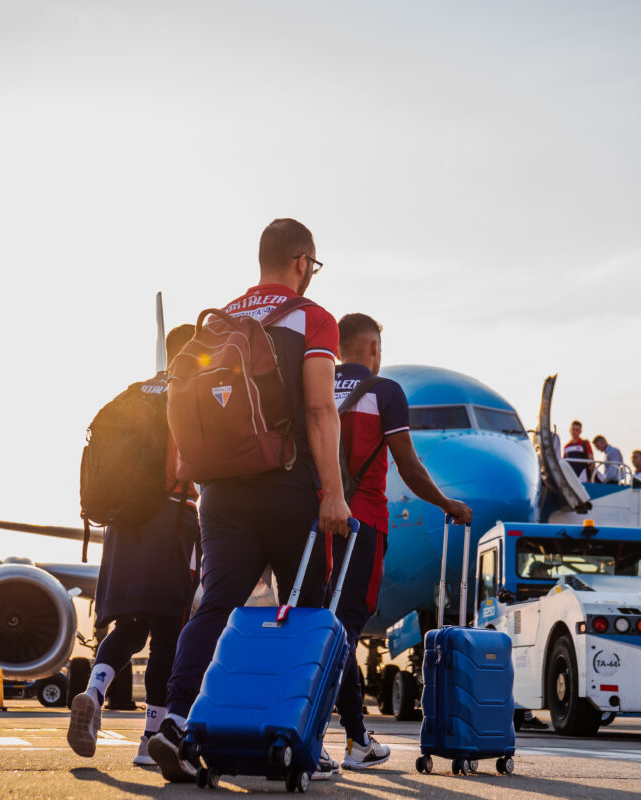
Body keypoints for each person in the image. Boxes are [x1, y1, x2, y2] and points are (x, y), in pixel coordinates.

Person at [149, 219, 352, 783]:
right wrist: (333, 493)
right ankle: (298, 733)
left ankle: (175, 719)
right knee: (307, 612)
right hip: (287, 487)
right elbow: (318, 410)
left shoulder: (220, 320)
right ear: (302, 262)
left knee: (215, 606)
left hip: (219, 491)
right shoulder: (312, 318)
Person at [330, 313, 473, 768]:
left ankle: (349, 736)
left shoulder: (314, 386)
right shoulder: (385, 391)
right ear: (372, 348)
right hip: (362, 523)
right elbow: (409, 469)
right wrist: (447, 504)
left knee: (323, 626)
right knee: (344, 630)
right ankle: (330, 738)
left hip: (313, 523)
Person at [67, 324, 201, 768]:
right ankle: (149, 741)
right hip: (172, 517)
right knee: (169, 634)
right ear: (196, 350)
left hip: (123, 526)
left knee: (129, 628)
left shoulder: (133, 394)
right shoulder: (191, 389)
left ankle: (93, 691)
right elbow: (190, 462)